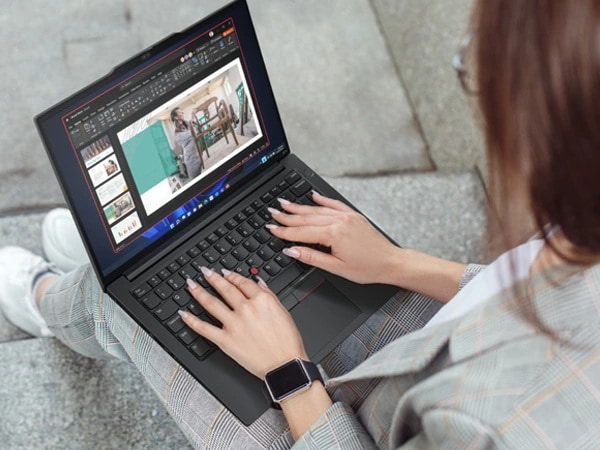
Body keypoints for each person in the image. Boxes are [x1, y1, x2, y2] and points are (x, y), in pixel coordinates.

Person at [1, 0, 600, 447]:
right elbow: (543, 284)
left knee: (119, 295)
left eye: (478, 68)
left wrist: (290, 376)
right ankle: (117, 247)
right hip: (429, 354)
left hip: (335, 429)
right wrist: (396, 263)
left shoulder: (496, 428)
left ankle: (48, 300)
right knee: (171, 255)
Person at [171, 106, 202, 179]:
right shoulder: (177, 131)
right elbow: (193, 132)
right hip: (190, 159)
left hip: (197, 155)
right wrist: (192, 117)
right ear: (176, 117)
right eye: (180, 112)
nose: (182, 112)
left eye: (182, 111)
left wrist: (193, 120)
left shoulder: (186, 123)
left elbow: (197, 129)